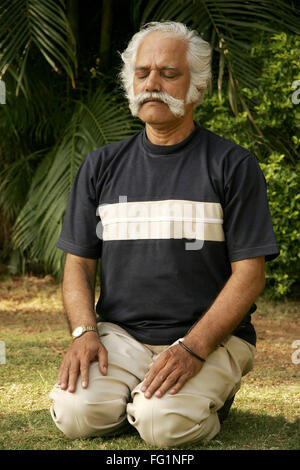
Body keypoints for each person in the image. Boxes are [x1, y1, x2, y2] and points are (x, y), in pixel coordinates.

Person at [49, 21, 279, 447]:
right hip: (121, 335)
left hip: (207, 336)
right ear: (130, 82)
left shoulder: (232, 165)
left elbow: (250, 275)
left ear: (197, 86)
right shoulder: (100, 166)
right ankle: (144, 397)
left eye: (168, 74)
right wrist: (85, 333)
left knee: (163, 427)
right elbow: (78, 264)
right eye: (142, 73)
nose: (152, 83)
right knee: (76, 416)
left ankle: (195, 397)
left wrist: (193, 349)